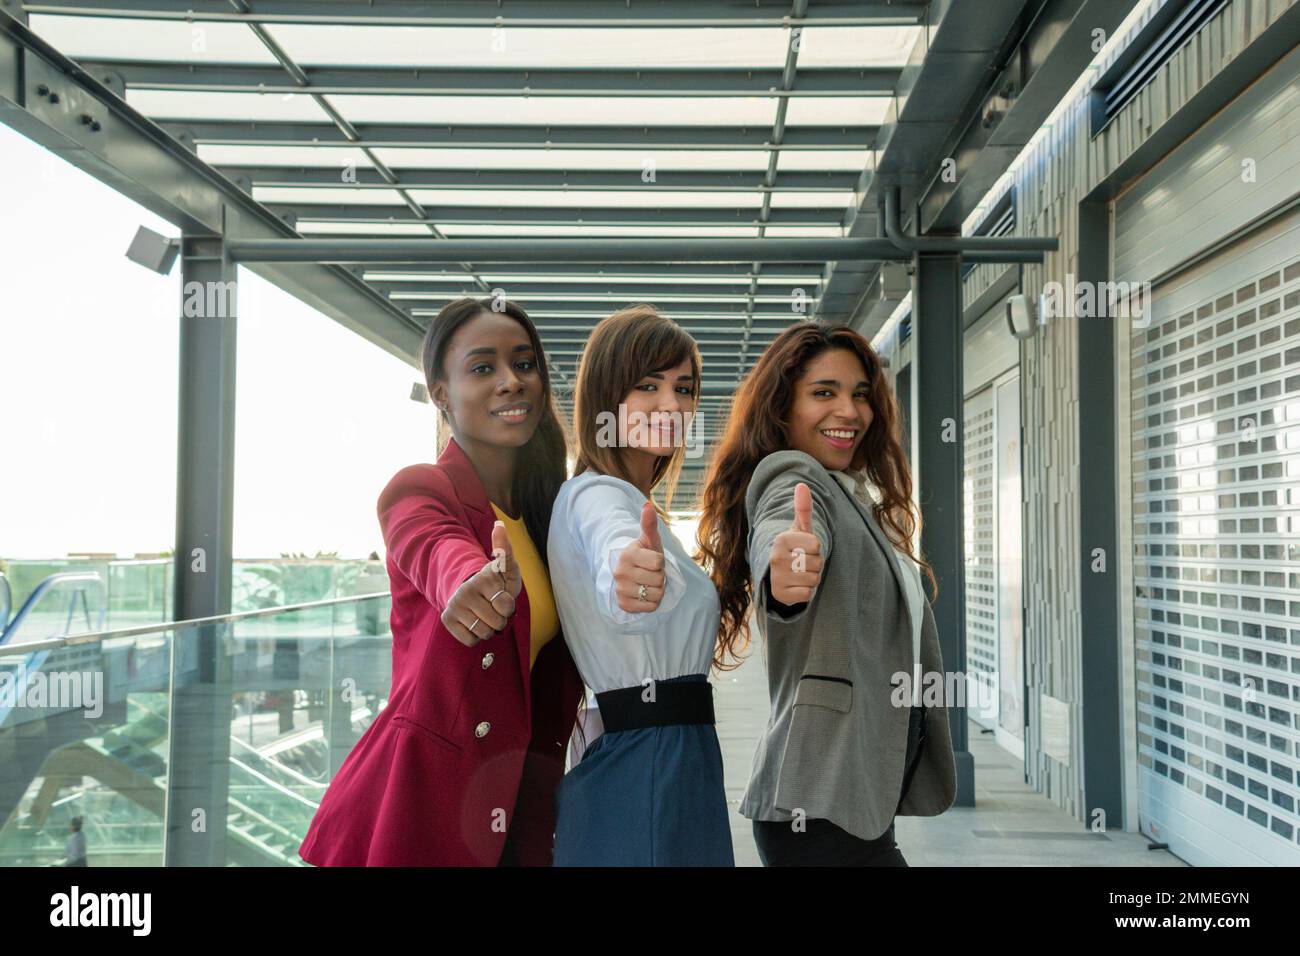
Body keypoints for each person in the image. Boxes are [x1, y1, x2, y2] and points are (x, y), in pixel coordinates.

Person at [299, 297, 583, 866]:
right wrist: (466, 580)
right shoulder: (422, 487)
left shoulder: (550, 513)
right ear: (440, 393)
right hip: (422, 807)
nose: (510, 382)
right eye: (483, 368)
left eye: (524, 365)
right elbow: (431, 546)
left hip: (517, 805)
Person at [697, 321, 956, 866]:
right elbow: (784, 532)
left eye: (859, 394)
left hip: (850, 799)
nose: (850, 411)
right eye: (824, 393)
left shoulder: (849, 491)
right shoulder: (794, 476)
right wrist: (786, 570)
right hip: (817, 809)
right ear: (781, 408)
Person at [547, 304, 734, 866]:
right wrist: (631, 584)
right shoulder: (598, 495)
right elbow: (618, 557)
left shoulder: (630, 498)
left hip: (663, 755)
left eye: (684, 387)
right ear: (607, 395)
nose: (672, 404)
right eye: (648, 385)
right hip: (651, 760)